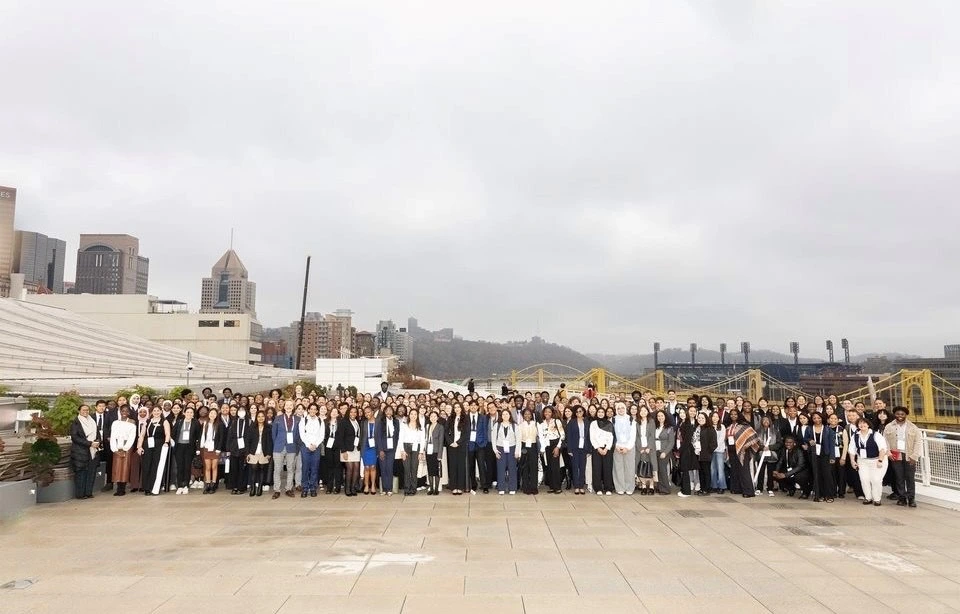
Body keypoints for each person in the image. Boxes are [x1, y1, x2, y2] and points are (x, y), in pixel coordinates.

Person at [884, 406, 922, 507]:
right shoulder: (889, 426)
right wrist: (888, 453)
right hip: (896, 454)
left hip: (909, 455)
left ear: (905, 415)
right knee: (899, 477)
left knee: (910, 478)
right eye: (897, 414)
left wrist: (914, 456)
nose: (900, 416)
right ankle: (902, 498)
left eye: (902, 414)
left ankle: (911, 498)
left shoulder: (913, 427)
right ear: (894, 414)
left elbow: (918, 442)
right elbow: (885, 441)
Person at [850, 417, 888, 506]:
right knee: (864, 479)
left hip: (877, 460)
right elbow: (852, 450)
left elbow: (882, 449)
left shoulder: (876, 435)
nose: (862, 425)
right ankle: (868, 497)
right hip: (862, 461)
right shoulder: (855, 436)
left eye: (864, 423)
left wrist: (880, 460)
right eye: (860, 423)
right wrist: (852, 461)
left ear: (868, 424)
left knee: (876, 480)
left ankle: (877, 499)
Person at [726, 409, 760, 498]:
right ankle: (737, 488)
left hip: (743, 450)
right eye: (731, 414)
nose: (733, 416)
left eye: (735, 414)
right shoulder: (729, 426)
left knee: (744, 470)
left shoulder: (744, 425)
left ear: (739, 415)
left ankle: (748, 491)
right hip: (731, 450)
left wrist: (745, 445)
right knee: (734, 470)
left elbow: (754, 436)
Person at [804, 411, 836, 502]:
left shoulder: (827, 429)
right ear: (812, 419)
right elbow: (805, 438)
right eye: (814, 418)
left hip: (825, 454)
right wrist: (809, 440)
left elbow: (832, 444)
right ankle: (819, 495)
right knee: (817, 475)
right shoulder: (809, 429)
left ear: (822, 418)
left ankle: (829, 495)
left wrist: (832, 457)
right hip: (814, 455)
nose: (817, 420)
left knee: (827, 475)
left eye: (818, 418)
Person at [70, 404, 101, 500]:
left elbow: (98, 434)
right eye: (83, 410)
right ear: (79, 411)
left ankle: (88, 492)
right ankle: (80, 494)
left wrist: (97, 442)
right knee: (81, 473)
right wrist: (89, 443)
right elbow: (75, 437)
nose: (86, 412)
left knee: (91, 472)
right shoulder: (76, 422)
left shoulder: (92, 421)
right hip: (80, 451)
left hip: (93, 450)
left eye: (87, 410)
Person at [138, 406, 171, 496]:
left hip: (159, 445)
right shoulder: (147, 422)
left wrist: (166, 442)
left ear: (161, 411)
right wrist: (139, 446)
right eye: (154, 411)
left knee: (156, 465)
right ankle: (147, 488)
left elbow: (167, 433)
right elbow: (142, 435)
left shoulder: (164, 421)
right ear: (152, 412)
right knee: (146, 465)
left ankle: (155, 487)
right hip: (148, 444)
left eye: (158, 410)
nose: (156, 412)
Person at [271, 400, 299, 499]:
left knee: (291, 469)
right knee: (277, 469)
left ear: (293, 407)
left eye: (291, 405)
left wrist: (297, 447)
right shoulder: (278, 418)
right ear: (284, 406)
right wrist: (276, 444)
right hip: (279, 447)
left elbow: (298, 435)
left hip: (291, 447)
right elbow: (273, 434)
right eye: (287, 405)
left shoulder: (297, 419)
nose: (289, 407)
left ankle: (288, 489)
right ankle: (277, 490)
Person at [172, 406, 201, 495]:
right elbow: (174, 434)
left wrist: (197, 448)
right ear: (184, 413)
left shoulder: (196, 423)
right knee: (180, 467)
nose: (189, 414)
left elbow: (198, 436)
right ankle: (180, 485)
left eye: (191, 412)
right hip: (179, 447)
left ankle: (186, 486)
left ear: (193, 414)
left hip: (190, 447)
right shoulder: (179, 422)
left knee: (187, 467)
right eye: (187, 412)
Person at [245, 410, 273, 496]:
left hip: (263, 451)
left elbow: (270, 442)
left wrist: (269, 453)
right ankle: (253, 487)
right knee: (253, 469)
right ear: (256, 418)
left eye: (262, 416)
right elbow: (247, 441)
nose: (260, 418)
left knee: (261, 469)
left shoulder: (268, 428)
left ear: (265, 417)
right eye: (259, 416)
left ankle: (260, 487)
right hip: (253, 451)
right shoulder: (252, 427)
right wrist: (247, 453)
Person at [108, 406, 135, 496]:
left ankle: (122, 489)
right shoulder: (115, 423)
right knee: (117, 468)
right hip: (117, 446)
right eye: (122, 411)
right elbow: (113, 435)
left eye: (126, 411)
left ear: (129, 413)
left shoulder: (132, 424)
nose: (124, 412)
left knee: (125, 468)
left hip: (126, 447)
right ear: (120, 411)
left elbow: (132, 437)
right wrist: (114, 448)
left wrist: (125, 448)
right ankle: (118, 488)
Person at [299, 404, 324, 497]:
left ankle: (313, 487)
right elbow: (302, 434)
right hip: (306, 447)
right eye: (311, 409)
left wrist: (315, 445)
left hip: (316, 448)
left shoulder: (320, 420)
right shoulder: (303, 420)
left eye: (315, 409)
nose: (313, 411)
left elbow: (321, 435)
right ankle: (305, 488)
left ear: (317, 411)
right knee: (305, 468)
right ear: (308, 410)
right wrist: (308, 445)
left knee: (314, 468)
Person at [611, 402, 636, 495]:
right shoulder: (613, 419)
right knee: (618, 468)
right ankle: (619, 487)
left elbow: (633, 435)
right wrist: (616, 446)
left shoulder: (631, 419)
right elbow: (612, 434)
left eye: (622, 408)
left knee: (629, 468)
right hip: (617, 447)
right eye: (618, 408)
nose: (620, 410)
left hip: (629, 447)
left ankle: (629, 487)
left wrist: (627, 447)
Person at [494, 408, 520, 494]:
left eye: (507, 414)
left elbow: (518, 439)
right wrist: (495, 451)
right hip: (500, 448)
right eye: (503, 414)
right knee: (500, 468)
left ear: (510, 415)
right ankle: (501, 488)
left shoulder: (514, 425)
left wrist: (517, 451)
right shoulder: (497, 425)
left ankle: (512, 488)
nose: (505, 416)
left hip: (512, 448)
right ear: (501, 416)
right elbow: (494, 439)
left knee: (512, 468)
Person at [565, 405, 591, 495]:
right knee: (575, 467)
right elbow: (569, 437)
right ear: (574, 413)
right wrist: (569, 450)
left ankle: (581, 486)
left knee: (583, 467)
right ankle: (576, 486)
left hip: (584, 447)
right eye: (577, 412)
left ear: (583, 412)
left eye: (580, 411)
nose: (579, 413)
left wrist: (589, 450)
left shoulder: (587, 422)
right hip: (574, 447)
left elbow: (589, 437)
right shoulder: (571, 422)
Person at [539, 406, 565, 494]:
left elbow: (562, 435)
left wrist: (558, 447)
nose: (547, 413)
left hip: (555, 444)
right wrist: (542, 448)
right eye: (545, 412)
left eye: (549, 412)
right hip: (546, 445)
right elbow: (541, 436)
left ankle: (557, 487)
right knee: (549, 466)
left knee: (555, 467)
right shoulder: (542, 423)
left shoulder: (556, 421)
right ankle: (551, 486)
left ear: (552, 413)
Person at [399, 409, 425, 496]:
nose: (413, 416)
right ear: (409, 415)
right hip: (406, 447)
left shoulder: (420, 426)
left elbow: (422, 440)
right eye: (412, 414)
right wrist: (402, 450)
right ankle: (406, 488)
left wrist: (421, 452)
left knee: (414, 469)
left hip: (416, 448)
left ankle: (413, 488)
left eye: (415, 414)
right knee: (407, 469)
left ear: (417, 416)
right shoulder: (404, 426)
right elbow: (400, 439)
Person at [337, 405, 362, 497]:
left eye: (355, 412)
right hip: (346, 449)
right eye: (351, 412)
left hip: (356, 449)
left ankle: (353, 488)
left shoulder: (357, 422)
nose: (353, 414)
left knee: (356, 468)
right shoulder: (343, 422)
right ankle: (347, 489)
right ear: (348, 412)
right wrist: (343, 451)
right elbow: (340, 437)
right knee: (350, 469)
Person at [589, 406, 615, 495]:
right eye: (599, 412)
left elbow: (611, 437)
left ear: (605, 414)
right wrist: (598, 448)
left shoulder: (609, 424)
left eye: (602, 412)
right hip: (597, 449)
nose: (600, 413)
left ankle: (608, 488)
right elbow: (592, 437)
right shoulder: (593, 423)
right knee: (597, 469)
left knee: (607, 469)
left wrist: (607, 448)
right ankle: (598, 488)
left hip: (607, 449)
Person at [200, 407, 225, 494]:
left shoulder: (220, 424)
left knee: (214, 467)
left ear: (216, 415)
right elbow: (202, 435)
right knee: (207, 467)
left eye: (214, 413)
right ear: (209, 414)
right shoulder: (205, 423)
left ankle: (213, 484)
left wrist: (219, 448)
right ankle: (207, 484)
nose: (212, 415)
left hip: (215, 448)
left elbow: (222, 438)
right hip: (207, 447)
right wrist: (201, 446)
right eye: (211, 413)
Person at [376, 404, 401, 496]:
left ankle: (389, 489)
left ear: (393, 412)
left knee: (389, 468)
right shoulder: (380, 421)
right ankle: (384, 489)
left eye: (390, 410)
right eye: (387, 410)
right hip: (382, 448)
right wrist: (380, 450)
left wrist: (395, 447)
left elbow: (397, 435)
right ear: (384, 412)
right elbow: (378, 436)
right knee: (383, 468)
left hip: (392, 448)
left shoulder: (396, 422)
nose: (389, 412)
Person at [754, 415, 781, 496]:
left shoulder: (775, 431)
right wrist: (762, 447)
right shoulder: (757, 431)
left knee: (770, 472)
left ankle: (770, 488)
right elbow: (755, 443)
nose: (766, 422)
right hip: (761, 454)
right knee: (760, 471)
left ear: (770, 422)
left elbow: (779, 443)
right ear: (761, 422)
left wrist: (770, 447)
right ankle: (759, 488)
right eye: (764, 420)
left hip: (771, 454)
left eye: (767, 420)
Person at [446, 403, 468, 495]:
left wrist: (458, 442)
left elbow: (466, 433)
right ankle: (453, 487)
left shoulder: (466, 418)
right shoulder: (450, 418)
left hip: (461, 445)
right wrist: (451, 442)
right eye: (455, 407)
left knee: (461, 466)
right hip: (451, 446)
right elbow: (446, 432)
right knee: (453, 466)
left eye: (458, 407)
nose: (457, 409)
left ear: (461, 408)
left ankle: (460, 487)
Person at [227, 407, 250, 495]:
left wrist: (248, 451)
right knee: (234, 468)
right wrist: (229, 448)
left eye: (243, 410)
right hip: (234, 448)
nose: (241, 412)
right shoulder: (234, 422)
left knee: (242, 469)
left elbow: (250, 437)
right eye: (239, 411)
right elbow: (229, 436)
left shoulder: (249, 422)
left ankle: (242, 487)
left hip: (245, 448)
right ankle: (234, 486)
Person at [652, 410, 675, 495]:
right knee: (657, 469)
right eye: (658, 416)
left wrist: (665, 452)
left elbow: (671, 442)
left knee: (662, 470)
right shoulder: (656, 427)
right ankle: (659, 487)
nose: (660, 418)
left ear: (665, 417)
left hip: (664, 451)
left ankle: (665, 489)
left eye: (662, 416)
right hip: (655, 451)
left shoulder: (669, 428)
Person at [694, 411, 717, 496]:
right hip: (698, 454)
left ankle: (707, 489)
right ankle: (702, 488)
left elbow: (714, 443)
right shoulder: (697, 428)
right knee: (700, 472)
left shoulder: (710, 429)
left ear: (706, 419)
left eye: (702, 418)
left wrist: (708, 451)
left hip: (706, 454)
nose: (700, 419)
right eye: (699, 418)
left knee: (706, 472)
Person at [518, 408, 540, 495]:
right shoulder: (520, 425)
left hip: (533, 446)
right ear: (523, 415)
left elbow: (539, 436)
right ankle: (525, 487)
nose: (527, 416)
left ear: (532, 415)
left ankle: (534, 487)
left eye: (529, 414)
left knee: (534, 467)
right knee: (525, 467)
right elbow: (519, 439)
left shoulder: (536, 424)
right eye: (525, 414)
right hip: (524, 447)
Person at [635, 405, 656, 495]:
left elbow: (652, 435)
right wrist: (640, 448)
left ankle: (651, 485)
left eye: (645, 410)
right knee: (641, 467)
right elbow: (636, 436)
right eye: (641, 411)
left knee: (650, 466)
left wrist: (649, 447)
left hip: (649, 448)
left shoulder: (651, 421)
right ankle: (643, 485)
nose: (643, 412)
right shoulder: (637, 422)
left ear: (648, 412)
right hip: (640, 448)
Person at [424, 410, 444, 495]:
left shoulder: (440, 427)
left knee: (436, 471)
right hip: (428, 451)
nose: (433, 418)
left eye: (435, 416)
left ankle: (436, 489)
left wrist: (440, 455)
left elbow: (441, 441)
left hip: (436, 451)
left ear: (437, 418)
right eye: (431, 416)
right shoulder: (427, 426)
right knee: (430, 470)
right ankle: (431, 488)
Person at [323, 406, 342, 494]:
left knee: (338, 467)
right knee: (329, 467)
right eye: (332, 411)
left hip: (338, 447)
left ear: (338, 414)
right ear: (330, 413)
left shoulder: (341, 423)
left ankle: (337, 487)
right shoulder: (325, 422)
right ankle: (329, 487)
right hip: (328, 447)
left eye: (336, 412)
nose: (334, 413)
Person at [360, 407, 379, 495]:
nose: (367, 414)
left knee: (373, 467)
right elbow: (361, 436)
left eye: (369, 412)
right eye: (365, 413)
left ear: (372, 412)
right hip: (365, 447)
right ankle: (366, 485)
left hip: (374, 448)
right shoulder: (363, 423)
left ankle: (373, 486)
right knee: (367, 467)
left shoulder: (378, 422)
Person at [709, 411, 727, 494]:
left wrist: (715, 447)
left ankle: (722, 486)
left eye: (717, 416)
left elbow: (721, 439)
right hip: (711, 451)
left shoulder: (722, 427)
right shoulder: (709, 427)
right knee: (712, 469)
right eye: (713, 416)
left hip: (719, 450)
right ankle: (714, 486)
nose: (715, 418)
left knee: (720, 469)